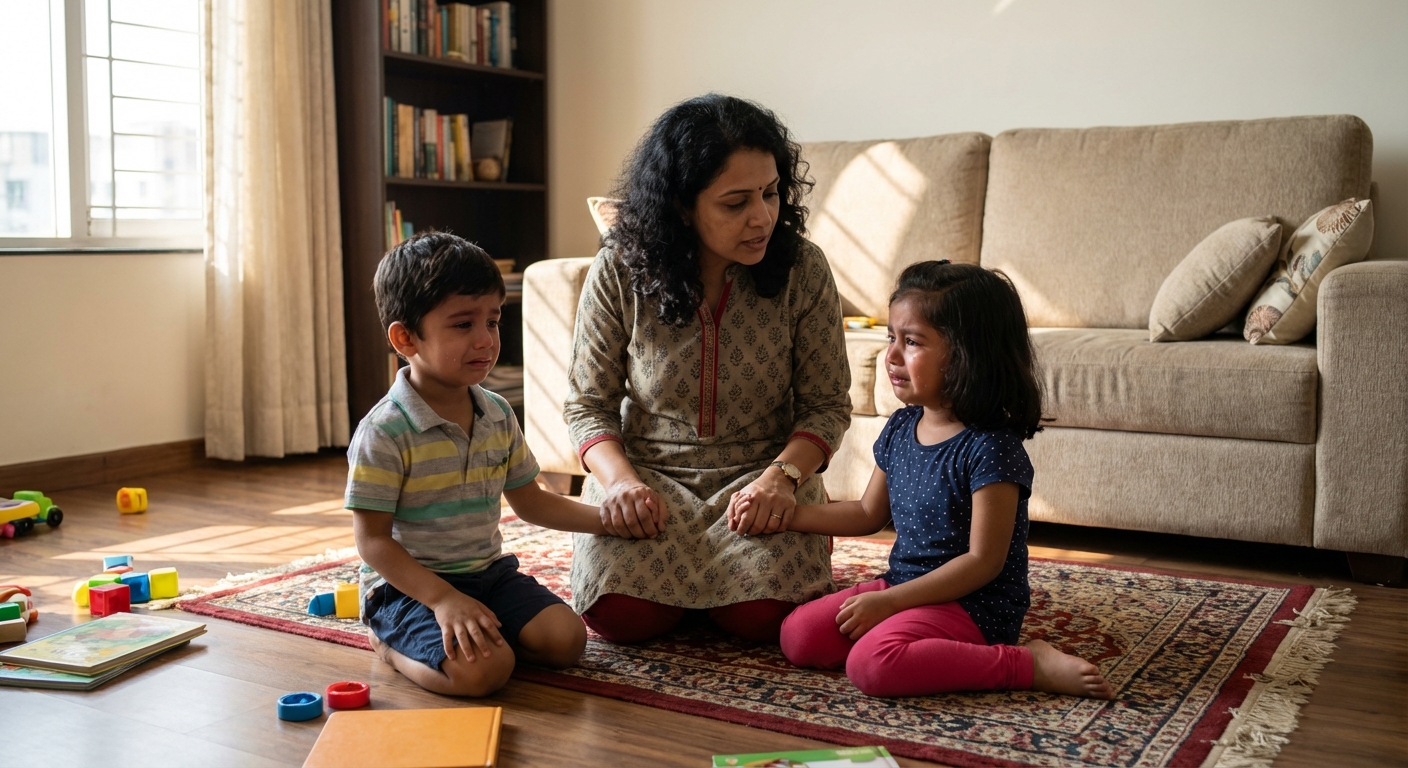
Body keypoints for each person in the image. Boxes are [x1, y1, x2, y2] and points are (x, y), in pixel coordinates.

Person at [750, 260, 1114, 699]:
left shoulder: (991, 448)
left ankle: (1026, 663)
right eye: (891, 338)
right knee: (799, 636)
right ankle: (916, 642)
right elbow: (867, 513)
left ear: (967, 353)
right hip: (905, 585)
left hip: (975, 604)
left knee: (873, 666)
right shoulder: (902, 426)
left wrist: (889, 604)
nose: (892, 356)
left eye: (913, 342)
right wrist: (787, 517)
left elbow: (984, 562)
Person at [564, 94, 852, 644]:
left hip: (761, 481)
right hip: (649, 479)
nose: (762, 216)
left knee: (762, 618)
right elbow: (587, 403)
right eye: (735, 202)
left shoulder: (803, 268)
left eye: (770, 193)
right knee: (621, 616)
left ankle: (722, 589)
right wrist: (620, 484)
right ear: (681, 206)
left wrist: (783, 479)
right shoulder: (620, 270)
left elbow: (826, 404)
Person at [347, 232, 632, 697]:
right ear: (405, 338)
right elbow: (372, 542)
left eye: (493, 322)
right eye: (463, 325)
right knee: (483, 674)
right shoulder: (385, 431)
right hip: (410, 591)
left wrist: (611, 521)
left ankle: (478, 636)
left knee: (567, 640)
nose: (485, 340)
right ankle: (389, 644)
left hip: (488, 574)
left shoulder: (497, 412)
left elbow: (532, 502)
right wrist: (442, 599)